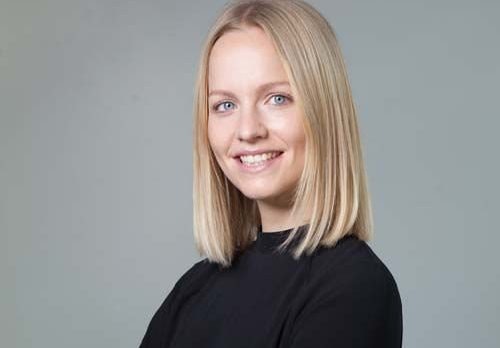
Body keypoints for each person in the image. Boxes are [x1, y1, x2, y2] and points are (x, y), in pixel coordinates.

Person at [139, 0, 403, 347]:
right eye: (225, 105)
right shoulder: (195, 288)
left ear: (324, 110)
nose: (247, 130)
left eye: (277, 98)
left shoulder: (354, 288)